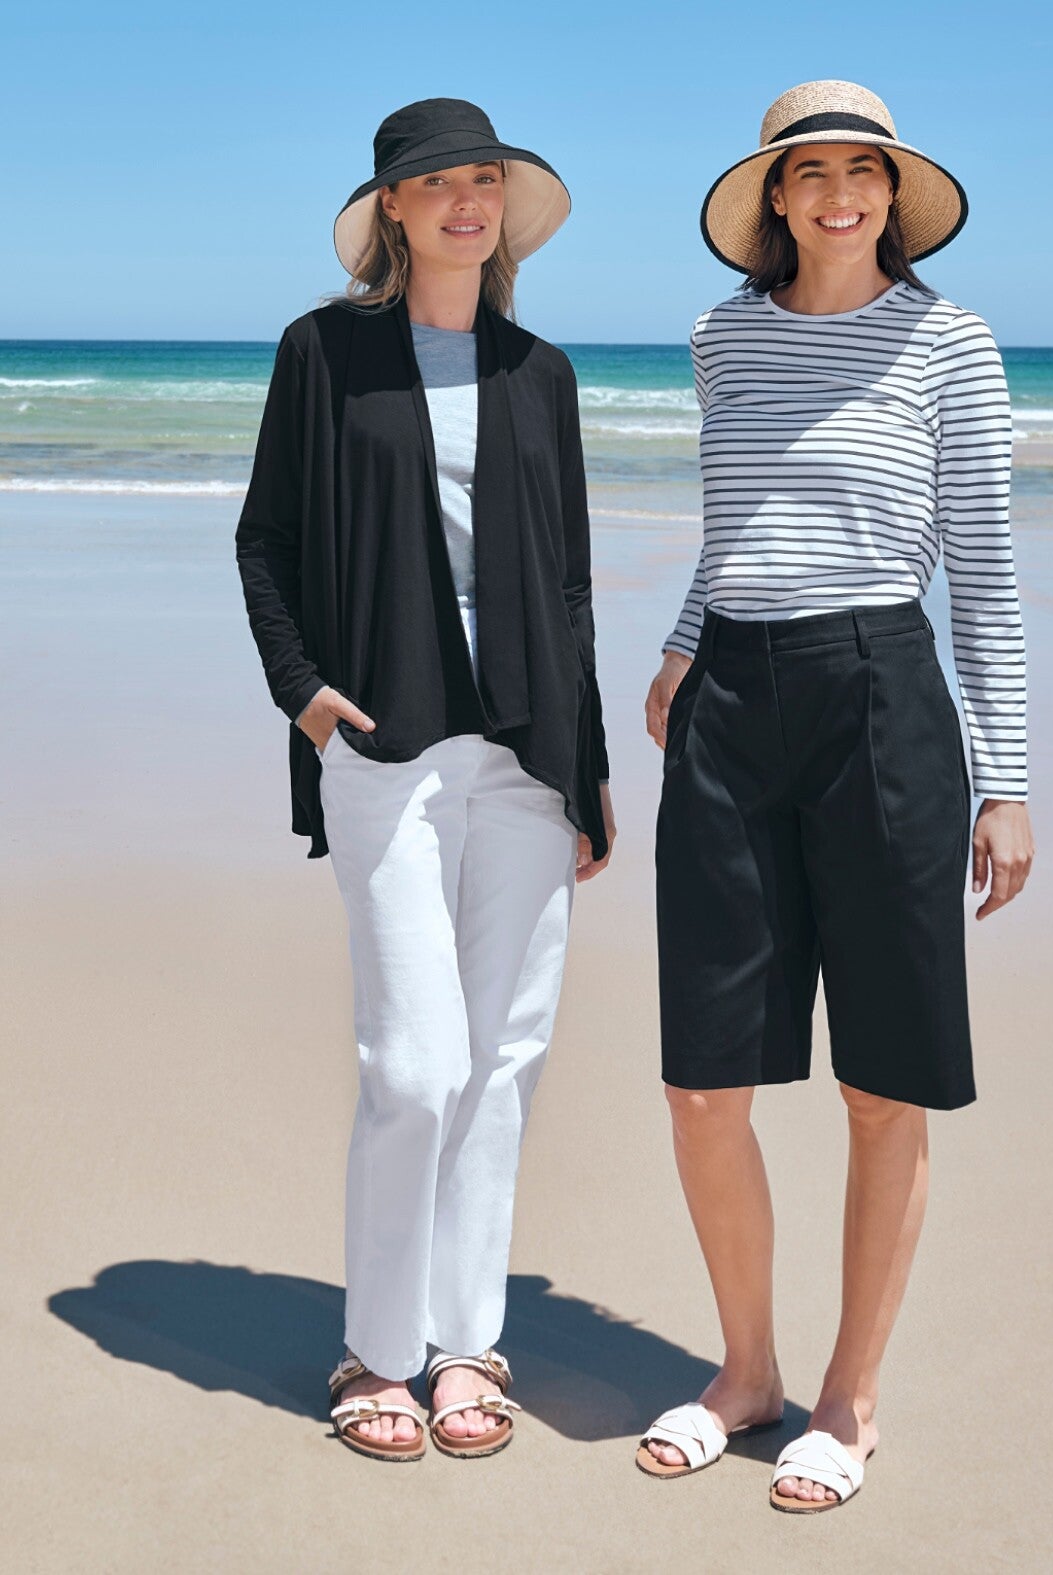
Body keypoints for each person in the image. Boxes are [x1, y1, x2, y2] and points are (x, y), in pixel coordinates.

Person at [638, 80, 1034, 1511]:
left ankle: (849, 1399)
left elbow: (980, 569)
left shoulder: (952, 344)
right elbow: (737, 516)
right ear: (776, 199)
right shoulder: (721, 339)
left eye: (863, 172)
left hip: (883, 695)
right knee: (702, 1082)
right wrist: (688, 638)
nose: (840, 196)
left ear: (893, 195)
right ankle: (746, 1373)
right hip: (732, 702)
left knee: (882, 1083)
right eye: (813, 173)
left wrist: (1010, 779)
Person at [235, 97, 614, 1463]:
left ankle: (466, 1349)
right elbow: (264, 541)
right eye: (435, 181)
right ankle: (374, 1353)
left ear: (505, 206)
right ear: (389, 207)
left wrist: (592, 778)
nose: (465, 199)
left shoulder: (540, 373)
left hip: (528, 764)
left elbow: (567, 588)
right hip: (383, 748)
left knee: (503, 1061)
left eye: (483, 180)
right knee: (416, 1061)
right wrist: (304, 696)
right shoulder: (323, 354)